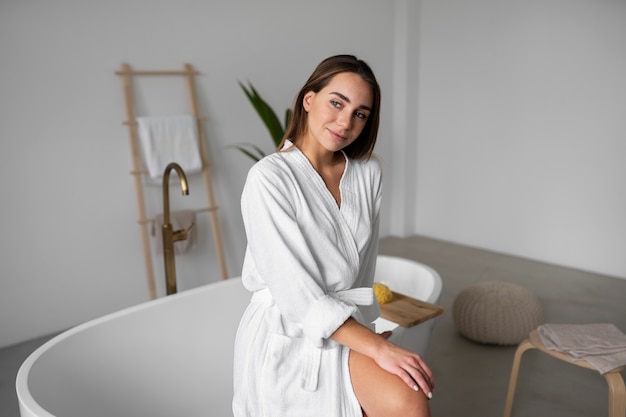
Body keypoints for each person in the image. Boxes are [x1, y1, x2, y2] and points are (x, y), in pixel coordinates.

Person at [232, 55, 434, 417]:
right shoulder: (270, 178)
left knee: (409, 399)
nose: (345, 121)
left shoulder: (368, 173)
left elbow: (363, 267)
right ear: (309, 100)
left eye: (360, 113)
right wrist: (375, 348)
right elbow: (295, 294)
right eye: (337, 103)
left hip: (347, 327)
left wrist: (367, 334)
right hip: (287, 334)